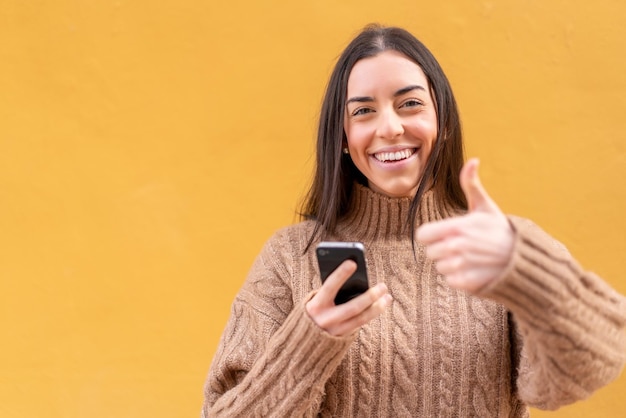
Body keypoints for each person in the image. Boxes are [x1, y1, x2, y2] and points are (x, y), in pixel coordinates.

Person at [201, 24, 626, 417]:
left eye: (410, 104)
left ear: (441, 122)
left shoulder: (500, 247)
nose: (389, 127)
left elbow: (598, 361)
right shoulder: (290, 257)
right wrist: (308, 343)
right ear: (344, 139)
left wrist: (526, 272)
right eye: (363, 111)